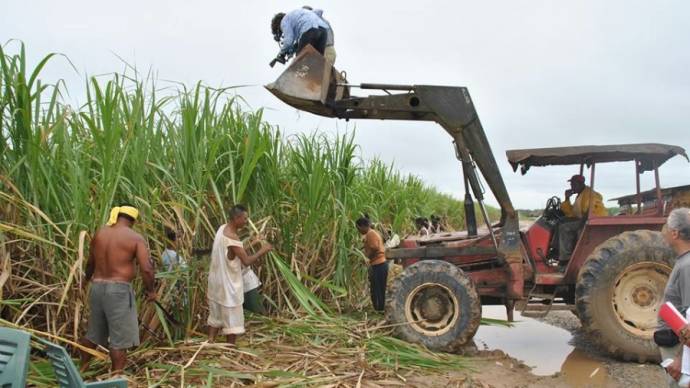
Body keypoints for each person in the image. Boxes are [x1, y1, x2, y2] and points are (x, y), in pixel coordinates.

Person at [79, 204, 156, 373]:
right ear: (133, 220)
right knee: (119, 340)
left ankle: (81, 370)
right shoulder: (135, 238)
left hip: (97, 287)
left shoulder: (100, 233)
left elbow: (90, 263)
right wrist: (151, 291)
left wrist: (86, 280)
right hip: (119, 291)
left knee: (93, 334)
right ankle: (116, 378)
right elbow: (147, 268)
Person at [207, 205, 272, 344]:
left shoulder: (222, 229)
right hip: (228, 286)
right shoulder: (232, 238)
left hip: (216, 282)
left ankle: (210, 341)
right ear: (236, 218)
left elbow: (233, 252)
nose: (246, 221)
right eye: (244, 219)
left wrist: (253, 243)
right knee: (232, 321)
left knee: (215, 313)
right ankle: (230, 348)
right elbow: (246, 261)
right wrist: (263, 250)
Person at [659, 208, 690, 386]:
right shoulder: (683, 262)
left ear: (675, 233)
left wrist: (680, 360)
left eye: (666, 227)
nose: (663, 231)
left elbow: (689, 319)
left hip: (678, 348)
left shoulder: (687, 266)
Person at [557, 174, 607, 265]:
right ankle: (560, 251)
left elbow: (591, 210)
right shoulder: (579, 195)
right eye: (571, 184)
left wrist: (581, 225)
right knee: (561, 222)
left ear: (580, 184)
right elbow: (572, 213)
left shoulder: (590, 194)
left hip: (591, 221)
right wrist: (567, 198)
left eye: (573, 184)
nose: (571, 187)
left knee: (564, 228)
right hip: (582, 219)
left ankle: (565, 259)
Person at [356, 215, 388, 312]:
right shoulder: (373, 233)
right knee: (379, 288)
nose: (359, 231)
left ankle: (380, 309)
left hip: (378, 265)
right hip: (380, 264)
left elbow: (374, 247)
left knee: (377, 288)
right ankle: (380, 308)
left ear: (363, 226)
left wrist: (366, 257)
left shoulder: (370, 234)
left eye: (358, 228)